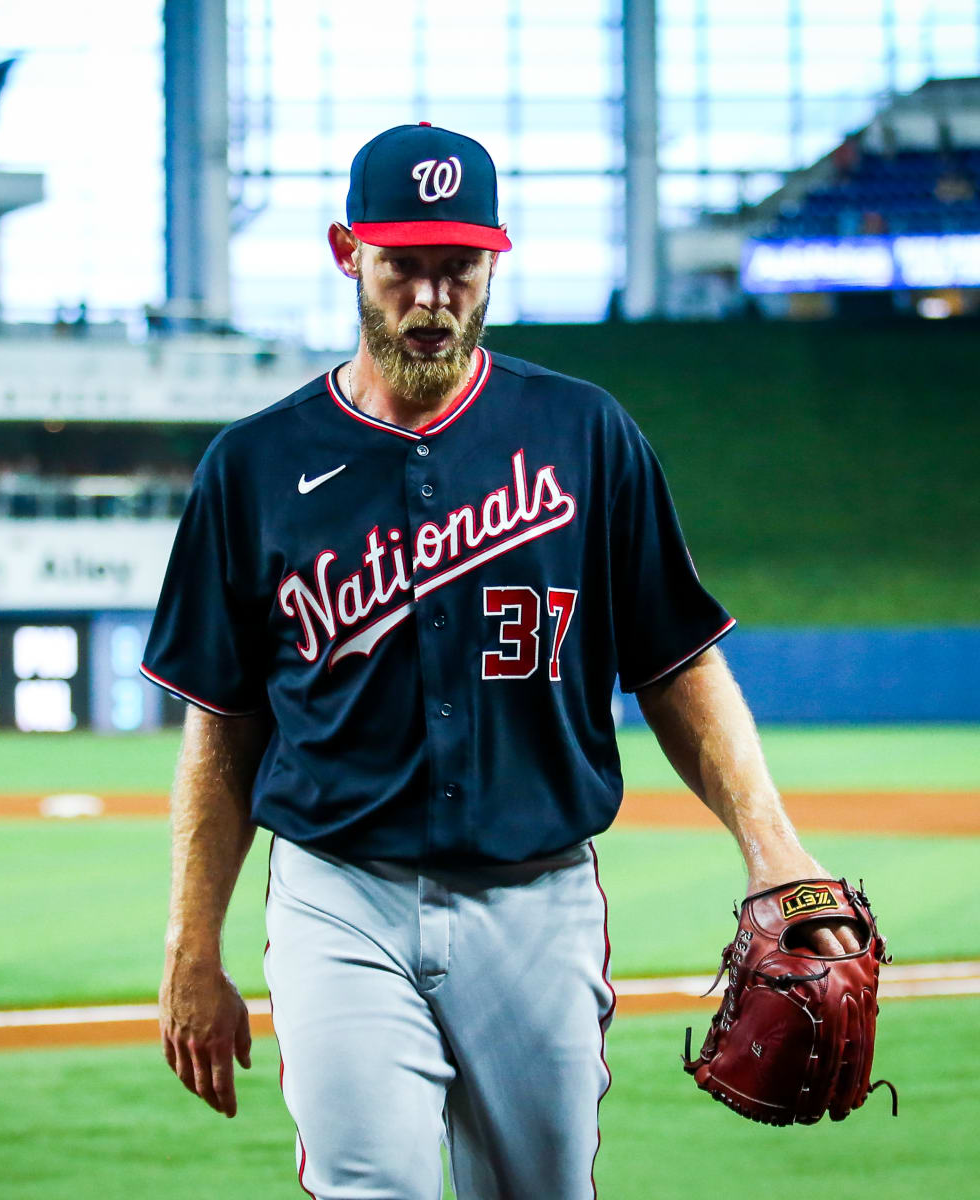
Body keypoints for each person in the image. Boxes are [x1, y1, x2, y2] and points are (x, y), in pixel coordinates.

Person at [140, 123, 860, 1200]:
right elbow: (223, 724)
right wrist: (192, 942)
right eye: (403, 267)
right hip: (340, 894)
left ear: (495, 258)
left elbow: (678, 662)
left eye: (457, 266)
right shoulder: (253, 465)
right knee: (371, 1184)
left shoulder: (587, 435)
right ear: (349, 254)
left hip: (539, 897)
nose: (431, 298)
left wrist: (778, 852)